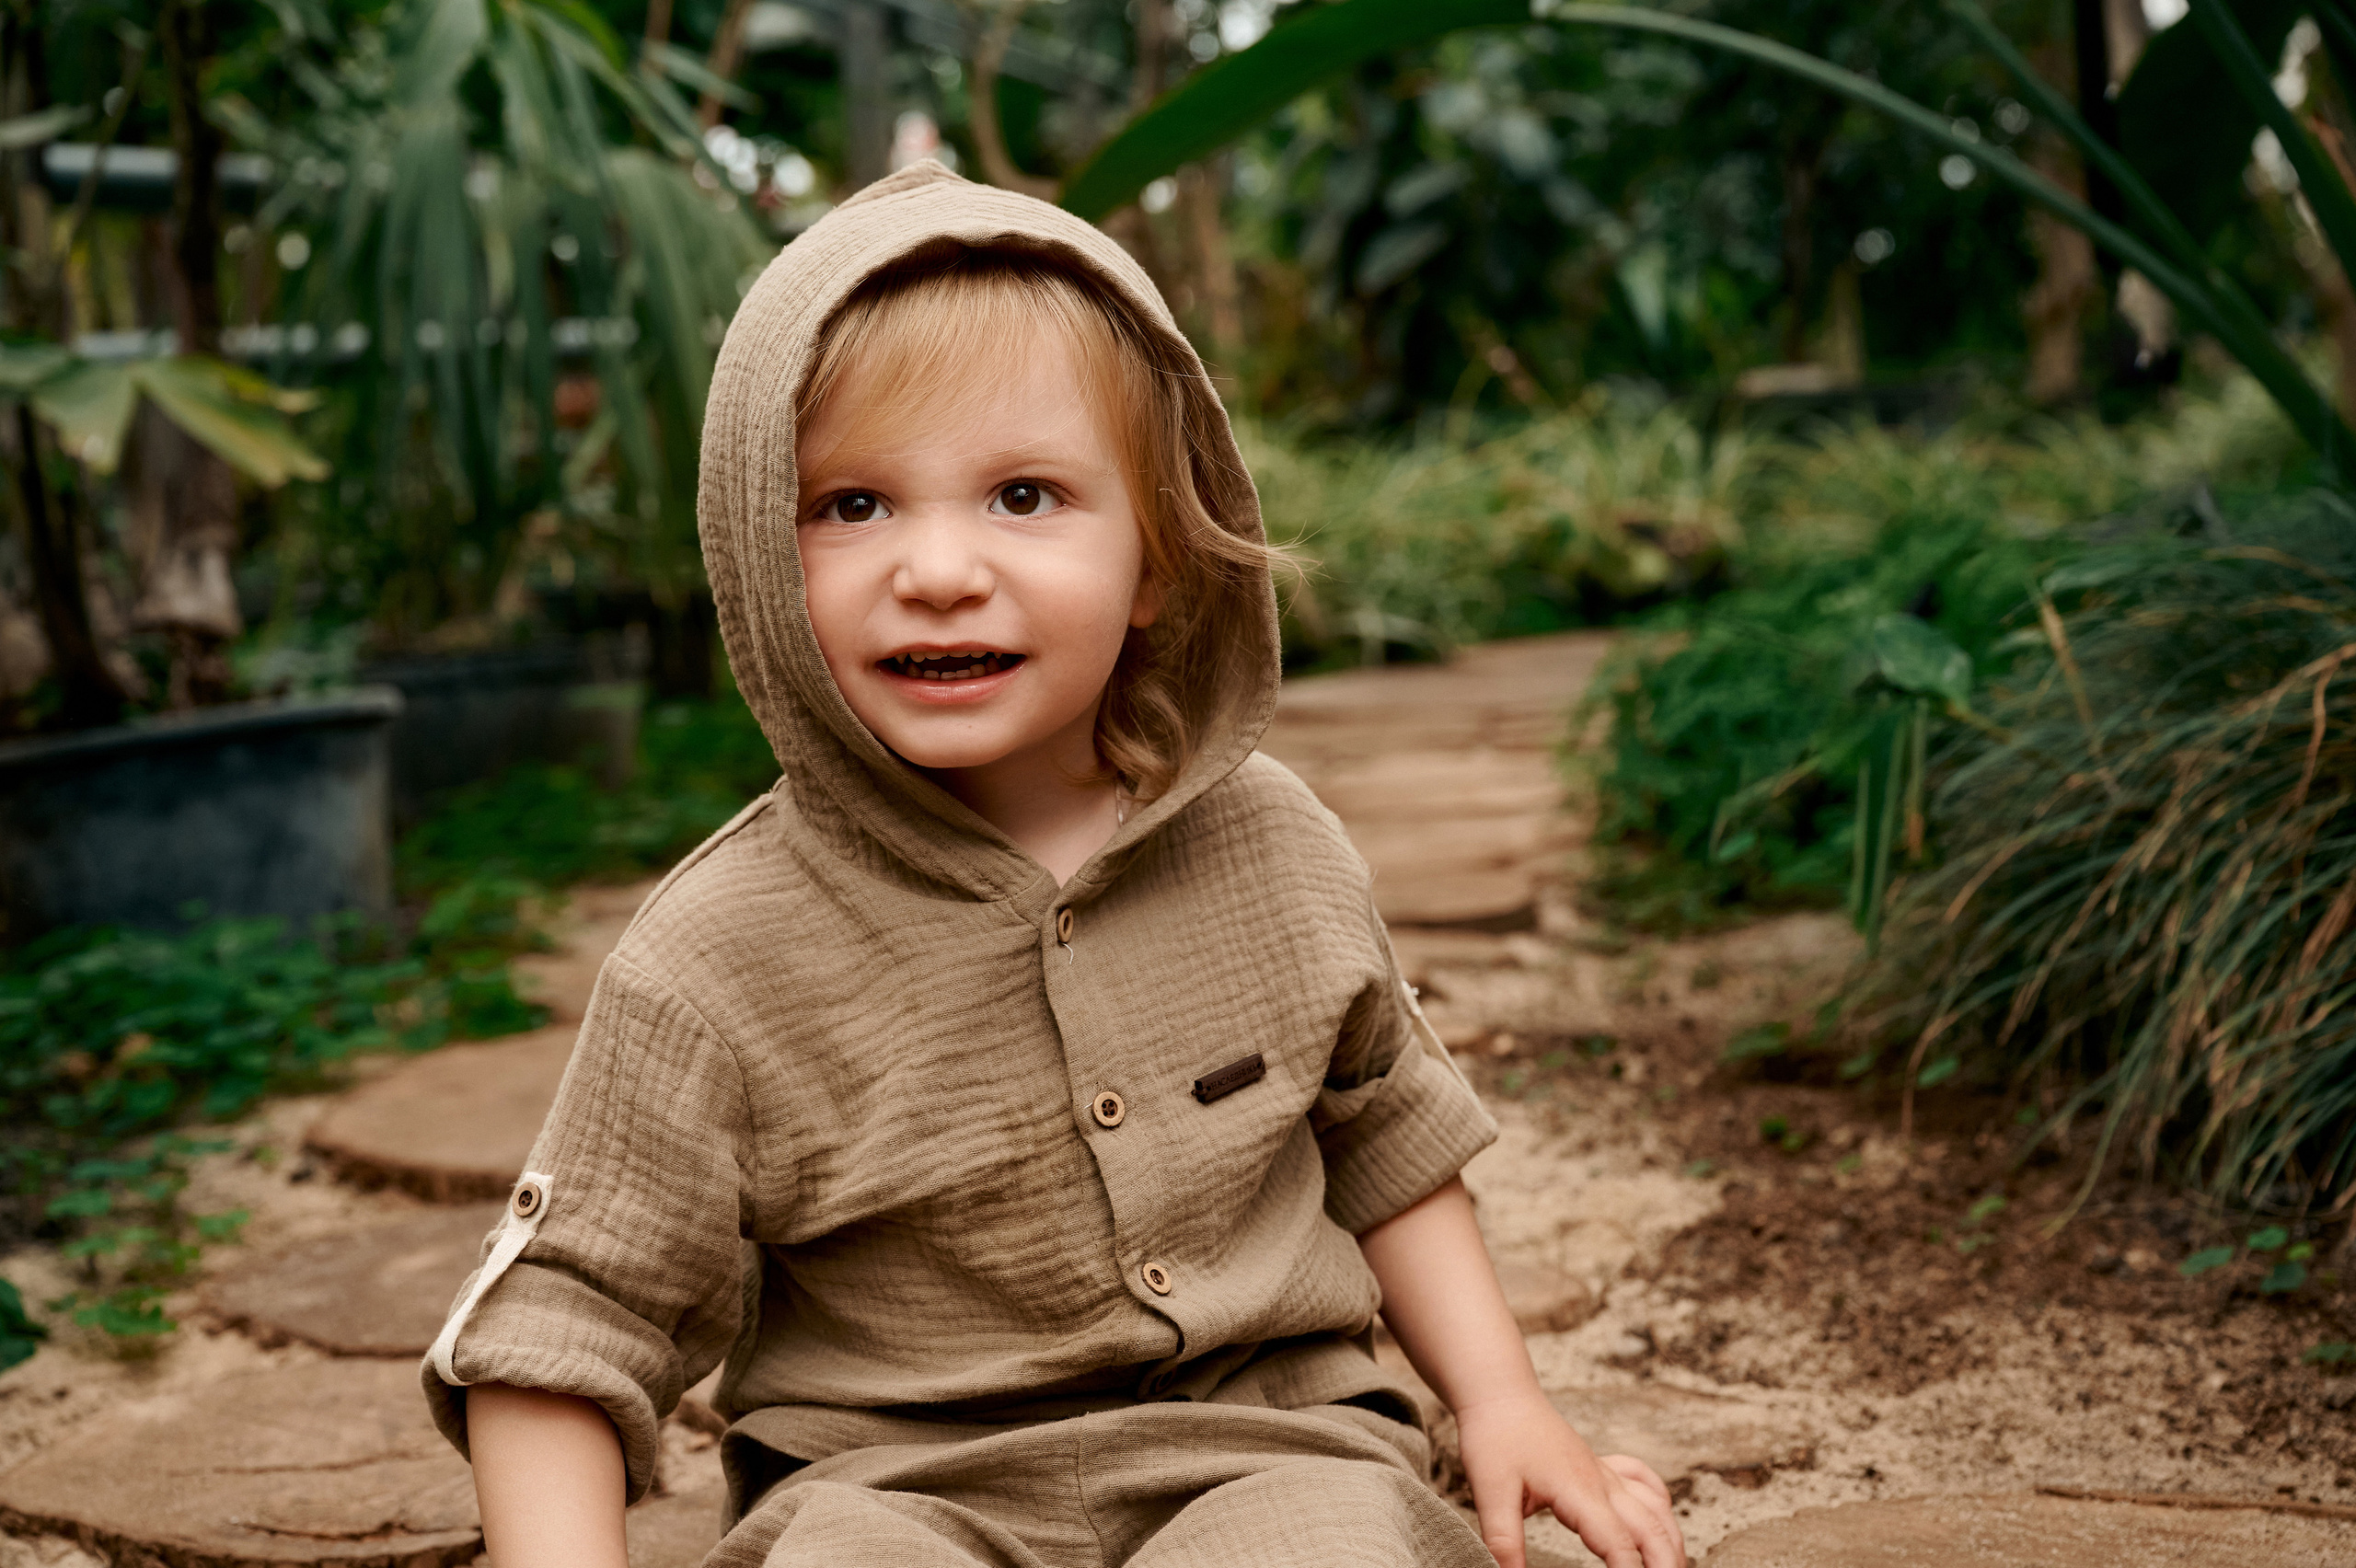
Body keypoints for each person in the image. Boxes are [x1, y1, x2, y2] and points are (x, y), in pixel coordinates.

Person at [422, 160, 1686, 1568]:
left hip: (1270, 1448)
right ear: (755, 559)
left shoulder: (1273, 846)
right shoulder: (713, 959)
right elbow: (566, 1324)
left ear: (1159, 560)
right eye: (853, 506)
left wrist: (1503, 1403)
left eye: (1023, 495)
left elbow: (1385, 1131)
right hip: (895, 1490)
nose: (938, 571)